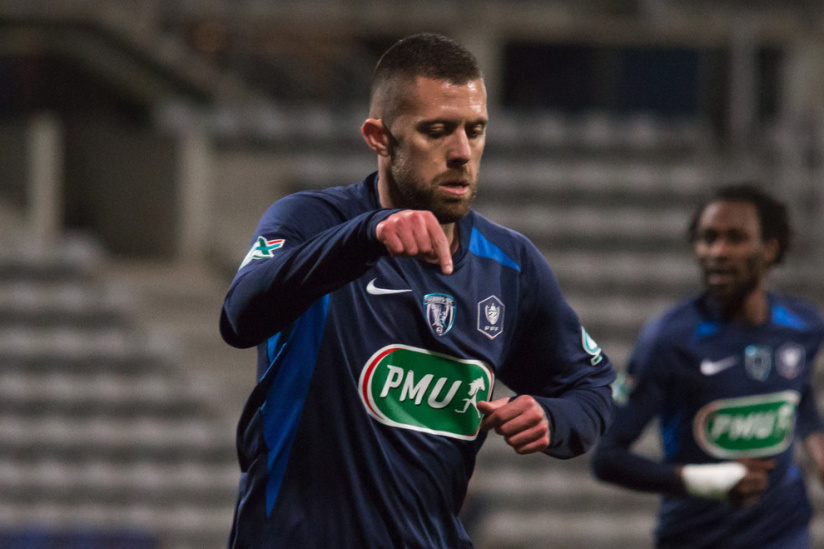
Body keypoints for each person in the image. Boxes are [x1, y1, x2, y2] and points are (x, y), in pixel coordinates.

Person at [220, 32, 615, 548]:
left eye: (475, 131)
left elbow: (594, 388)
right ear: (378, 137)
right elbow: (239, 316)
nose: (461, 152)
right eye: (437, 131)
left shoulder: (510, 266)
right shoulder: (311, 221)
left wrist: (554, 417)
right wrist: (366, 236)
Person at [592, 183, 824, 548]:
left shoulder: (804, 325)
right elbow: (607, 458)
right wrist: (708, 481)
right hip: (696, 538)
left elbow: (799, 390)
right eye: (708, 238)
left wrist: (816, 443)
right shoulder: (669, 340)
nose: (718, 252)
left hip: (784, 533)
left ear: (770, 249)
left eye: (735, 238)